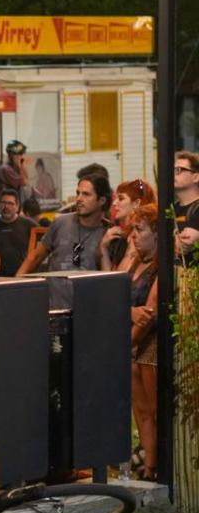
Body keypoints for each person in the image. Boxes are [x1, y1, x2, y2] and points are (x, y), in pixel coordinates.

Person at [16, 175, 112, 275]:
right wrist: (16, 281)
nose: (79, 199)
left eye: (86, 194)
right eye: (78, 193)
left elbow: (111, 277)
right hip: (55, 283)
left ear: (102, 200)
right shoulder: (61, 222)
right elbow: (35, 257)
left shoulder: (107, 233)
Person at [127, 204, 160, 481]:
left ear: (156, 234)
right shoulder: (135, 263)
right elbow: (114, 297)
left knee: (155, 408)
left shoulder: (161, 267)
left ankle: (159, 464)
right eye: (133, 229)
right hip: (132, 344)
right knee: (140, 410)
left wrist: (127, 343)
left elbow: (149, 313)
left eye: (140, 229)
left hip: (150, 345)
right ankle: (149, 467)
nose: (134, 235)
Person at [100, 179, 156, 271]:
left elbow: (120, 277)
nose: (114, 203)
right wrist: (103, 247)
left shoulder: (137, 239)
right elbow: (110, 277)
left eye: (121, 199)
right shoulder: (122, 235)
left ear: (136, 203)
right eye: (115, 198)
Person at [0, 189, 38, 277]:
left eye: (10, 203)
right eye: (3, 203)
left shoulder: (30, 225)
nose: (6, 207)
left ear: (17, 206)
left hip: (23, 277)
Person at [176, 151, 199, 256]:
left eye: (179, 170)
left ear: (196, 177)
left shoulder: (197, 209)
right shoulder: (171, 208)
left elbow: (182, 245)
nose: (173, 174)